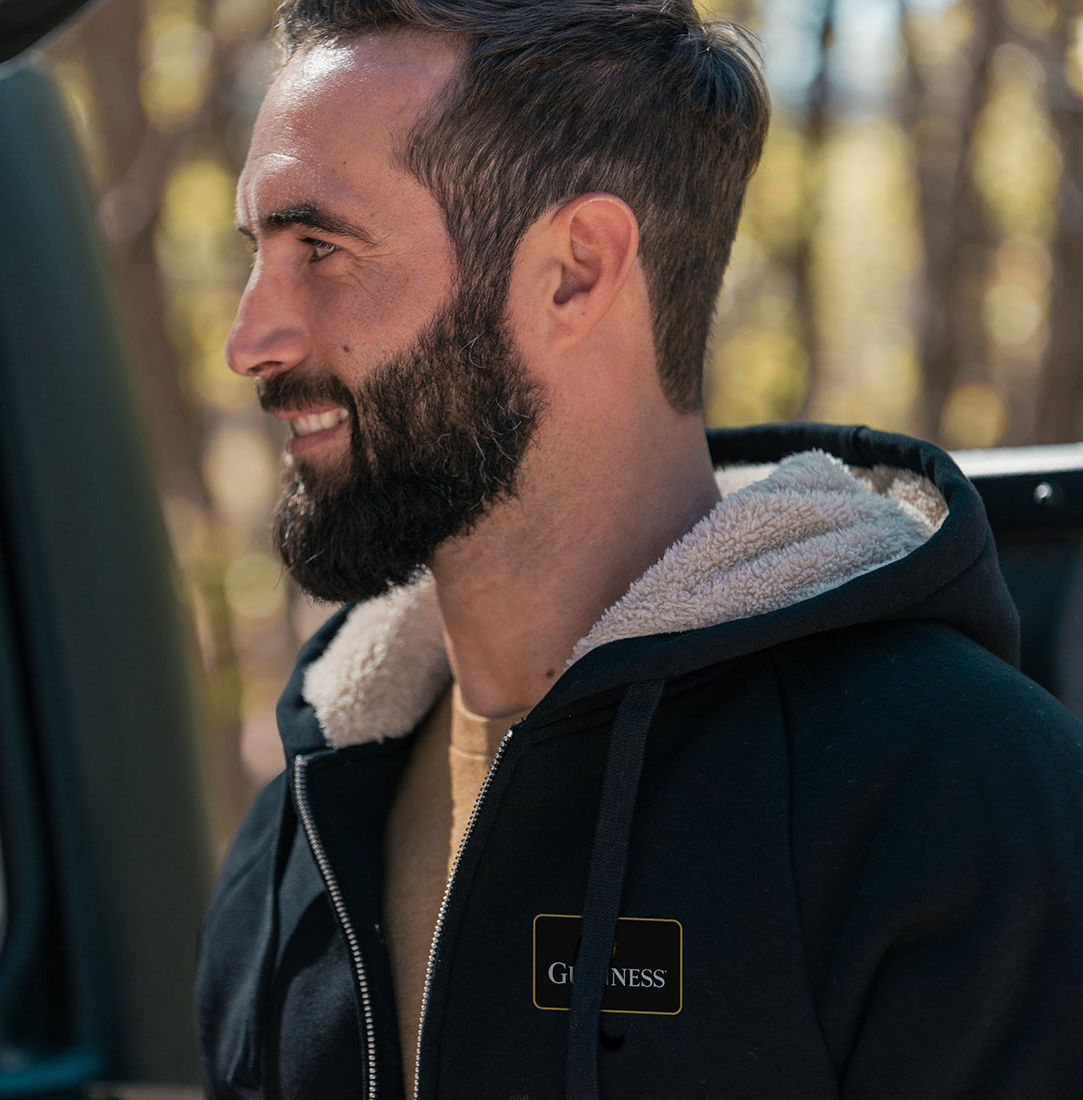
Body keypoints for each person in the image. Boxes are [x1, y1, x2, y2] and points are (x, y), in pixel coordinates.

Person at [195, 1, 1083, 1097]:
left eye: (320, 247)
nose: (248, 340)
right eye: (259, 253)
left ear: (575, 269)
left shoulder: (969, 811)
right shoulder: (303, 828)